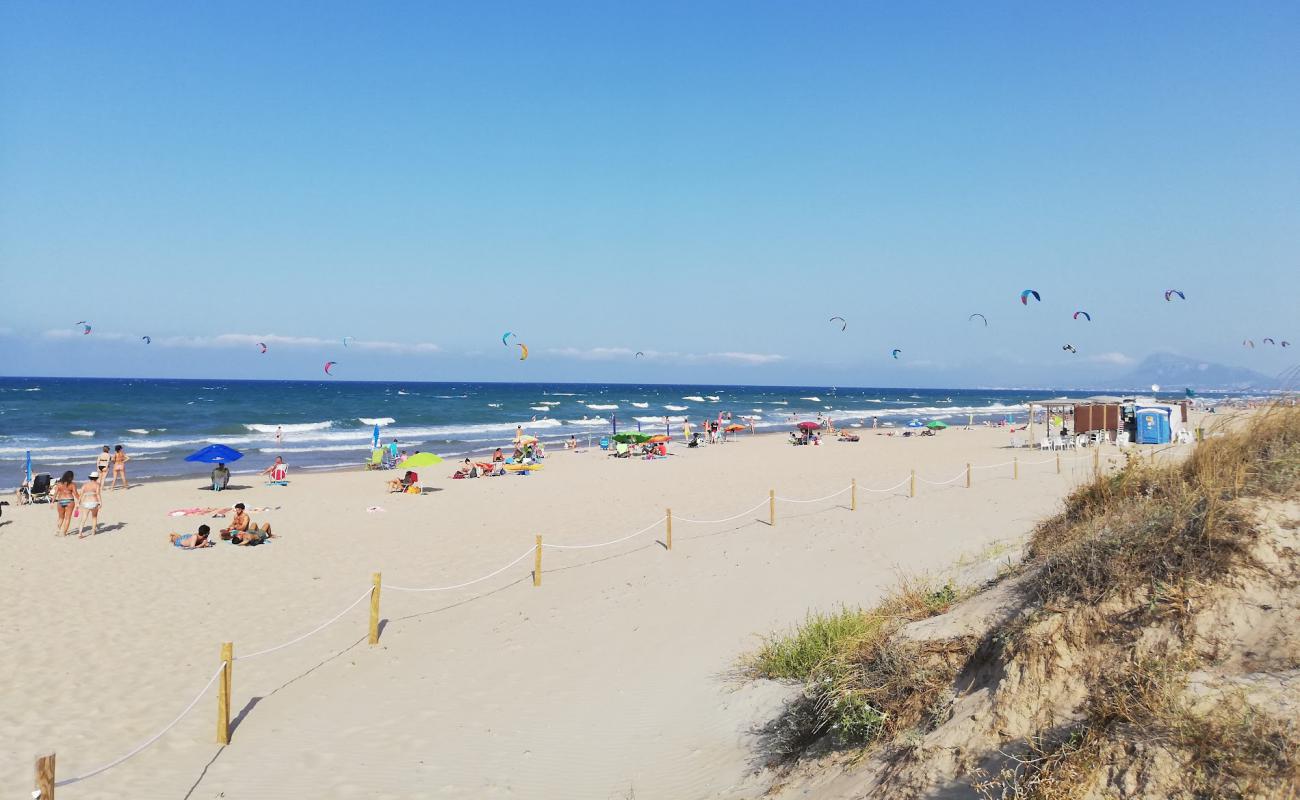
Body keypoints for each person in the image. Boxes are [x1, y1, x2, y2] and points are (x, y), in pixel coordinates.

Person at [76, 471, 104, 538]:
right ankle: (93, 531)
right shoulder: (97, 485)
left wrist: (78, 503)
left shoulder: (85, 485)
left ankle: (80, 533)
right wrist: (100, 502)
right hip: (94, 502)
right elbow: (98, 494)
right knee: (94, 517)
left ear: (90, 477)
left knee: (84, 518)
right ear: (97, 478)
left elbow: (81, 494)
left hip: (86, 502)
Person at [51, 471, 79, 536]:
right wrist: (80, 500)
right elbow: (76, 494)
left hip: (60, 501)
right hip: (70, 500)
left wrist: (52, 502)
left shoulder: (59, 484)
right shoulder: (72, 484)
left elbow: (55, 494)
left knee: (61, 517)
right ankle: (64, 533)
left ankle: (58, 530)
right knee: (67, 518)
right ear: (71, 477)